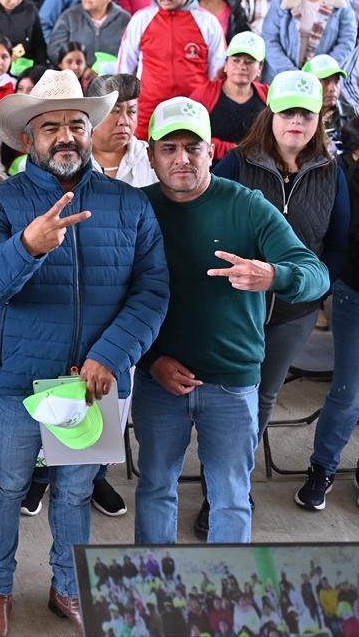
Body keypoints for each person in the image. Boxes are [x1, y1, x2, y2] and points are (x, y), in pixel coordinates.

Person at [0, 69, 168, 637]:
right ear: (28, 137)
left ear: (90, 130)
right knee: (8, 485)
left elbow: (153, 291)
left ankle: (66, 585)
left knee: (76, 489)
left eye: (76, 124)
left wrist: (111, 356)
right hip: (21, 379)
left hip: (92, 382)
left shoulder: (130, 205)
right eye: (50, 126)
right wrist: (27, 246)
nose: (65, 136)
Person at [135, 97, 329, 545]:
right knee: (156, 486)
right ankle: (153, 579)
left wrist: (274, 275)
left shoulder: (248, 206)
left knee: (231, 497)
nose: (182, 159)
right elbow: (112, 296)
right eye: (169, 148)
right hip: (159, 380)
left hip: (233, 382)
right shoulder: (137, 208)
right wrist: (150, 360)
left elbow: (315, 273)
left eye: (193, 147)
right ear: (151, 155)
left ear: (210, 151)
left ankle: (227, 585)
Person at [211, 72, 348, 511]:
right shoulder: (238, 163)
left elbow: (338, 243)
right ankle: (219, 485)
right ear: (270, 115)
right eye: (288, 112)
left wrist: (313, 290)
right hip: (236, 306)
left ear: (318, 120)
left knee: (265, 395)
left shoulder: (331, 172)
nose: (296, 121)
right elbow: (206, 218)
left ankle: (234, 482)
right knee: (231, 393)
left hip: (295, 312)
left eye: (306, 114)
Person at [115, 0, 227, 138]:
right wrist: (126, 104)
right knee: (144, 152)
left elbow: (217, 70)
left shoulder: (208, 22)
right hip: (148, 107)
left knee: (191, 151)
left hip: (194, 107)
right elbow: (125, 66)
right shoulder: (141, 19)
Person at [191, 31, 269, 158]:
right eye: (236, 60)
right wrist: (234, 151)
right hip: (214, 165)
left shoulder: (269, 95)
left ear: (260, 67)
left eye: (249, 62)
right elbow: (191, 136)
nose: (242, 66)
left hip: (259, 164)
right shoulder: (204, 95)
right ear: (226, 64)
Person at [86, 74, 156, 185]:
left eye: (132, 112)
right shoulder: (74, 159)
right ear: (91, 113)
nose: (124, 121)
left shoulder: (149, 158)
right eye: (115, 111)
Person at [49, 0, 130, 59]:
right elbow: (55, 50)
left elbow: (131, 54)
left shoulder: (124, 19)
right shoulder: (69, 17)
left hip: (114, 68)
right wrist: (77, 65)